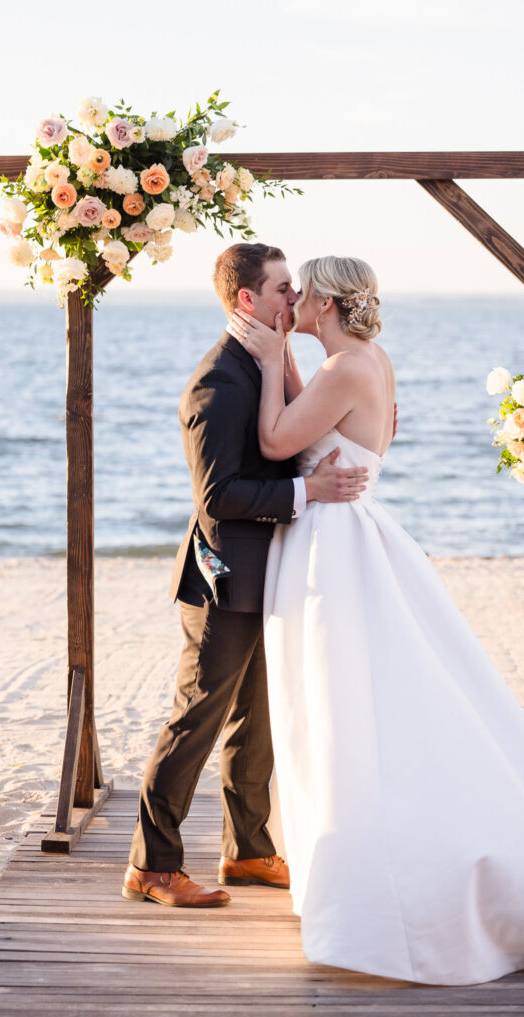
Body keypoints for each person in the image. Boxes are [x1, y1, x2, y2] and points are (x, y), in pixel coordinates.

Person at [227, 254, 524, 987]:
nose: (294, 300)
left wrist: (271, 358)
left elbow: (277, 442)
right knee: (358, 702)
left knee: (340, 705)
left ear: (327, 304)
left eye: (304, 292)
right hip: (346, 530)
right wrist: (292, 359)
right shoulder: (360, 359)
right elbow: (316, 420)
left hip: (333, 544)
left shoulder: (340, 369)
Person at [122, 243, 373, 908]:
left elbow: (293, 440)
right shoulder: (219, 382)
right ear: (247, 301)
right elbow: (219, 499)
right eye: (283, 289)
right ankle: (153, 866)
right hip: (222, 578)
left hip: (271, 574)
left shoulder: (260, 365)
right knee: (196, 719)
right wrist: (308, 495)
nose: (293, 300)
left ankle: (250, 850)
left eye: (294, 290)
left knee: (255, 718)